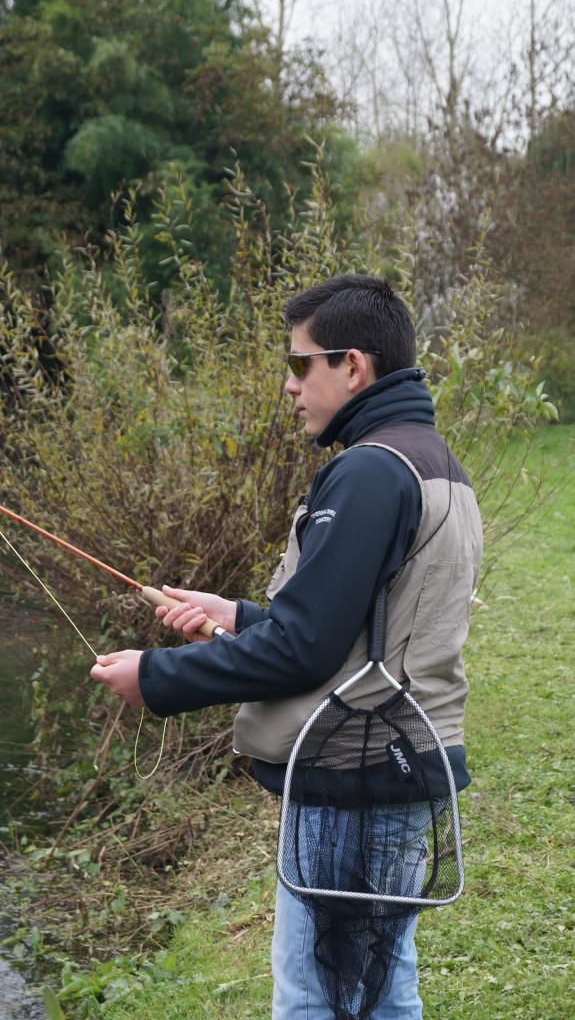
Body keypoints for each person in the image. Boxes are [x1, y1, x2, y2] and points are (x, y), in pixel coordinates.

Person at [90, 273, 483, 1019]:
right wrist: (236, 613)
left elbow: (303, 652)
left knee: (318, 999)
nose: (289, 384)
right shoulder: (433, 463)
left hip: (355, 776)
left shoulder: (367, 471)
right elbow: (357, 626)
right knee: (378, 986)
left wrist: (158, 678)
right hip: (394, 763)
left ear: (353, 366)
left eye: (301, 364)